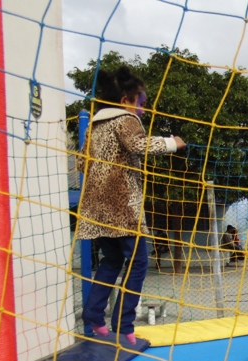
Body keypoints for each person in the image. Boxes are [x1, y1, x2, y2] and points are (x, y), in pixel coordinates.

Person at [77, 65, 186, 345]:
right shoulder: (125, 119)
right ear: (126, 100)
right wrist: (172, 143)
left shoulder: (94, 126)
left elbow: (81, 162)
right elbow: (139, 145)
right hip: (122, 206)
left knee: (112, 260)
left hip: (96, 209)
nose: (143, 110)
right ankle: (124, 325)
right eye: (142, 103)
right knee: (138, 262)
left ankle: (93, 314)